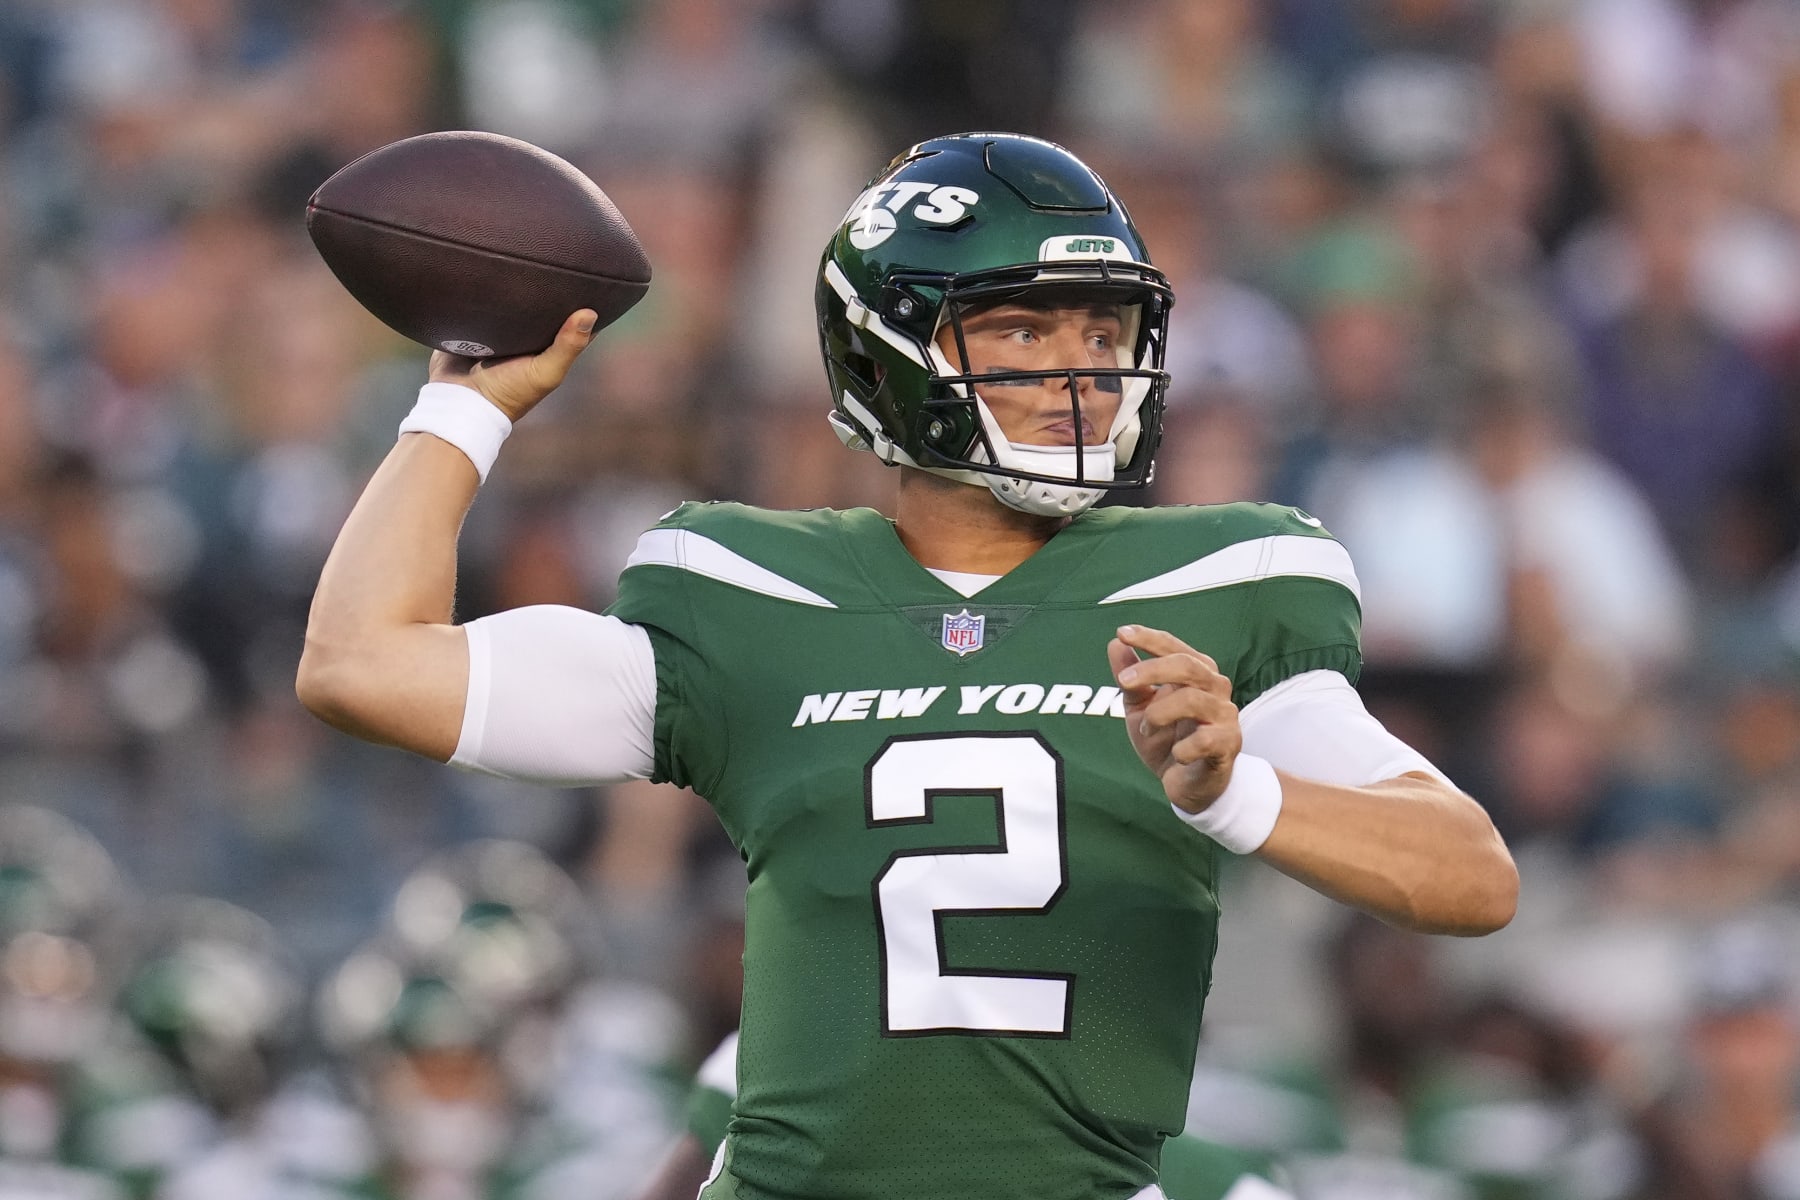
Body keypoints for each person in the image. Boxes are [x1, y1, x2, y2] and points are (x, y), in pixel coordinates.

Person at [297, 132, 1518, 1200]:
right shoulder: (747, 593)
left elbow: (1471, 875)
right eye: (1022, 329)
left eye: (1103, 327)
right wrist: (465, 408)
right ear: (885, 357)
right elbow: (360, 665)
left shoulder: (1222, 582)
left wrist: (1240, 789)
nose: (1079, 370)